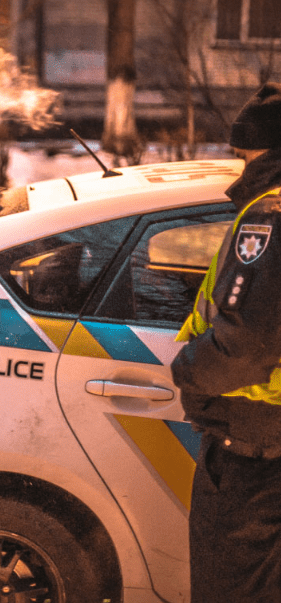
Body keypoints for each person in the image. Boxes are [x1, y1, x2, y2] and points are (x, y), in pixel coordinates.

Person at [171, 82, 281, 601]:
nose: (239, 168)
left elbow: (247, 344)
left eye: (243, 154)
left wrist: (187, 369)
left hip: (255, 454)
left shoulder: (268, 215)